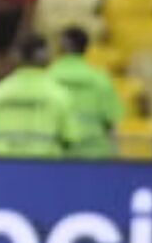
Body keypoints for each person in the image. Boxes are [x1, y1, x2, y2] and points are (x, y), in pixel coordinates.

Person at [0, 36, 78, 158]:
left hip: (3, 167)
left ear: (18, 57)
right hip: (45, 168)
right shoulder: (59, 93)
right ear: (46, 58)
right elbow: (70, 137)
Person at [48, 27, 124, 158]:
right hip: (95, 154)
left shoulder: (47, 78)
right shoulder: (100, 79)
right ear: (86, 48)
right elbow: (112, 123)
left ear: (59, 49)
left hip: (58, 156)